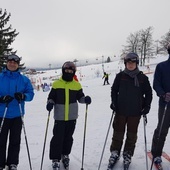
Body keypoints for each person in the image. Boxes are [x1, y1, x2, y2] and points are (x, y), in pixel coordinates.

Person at [107, 52, 152, 169]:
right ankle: (115, 152)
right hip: (121, 111)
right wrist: (114, 102)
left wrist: (147, 106)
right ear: (125, 63)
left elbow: (148, 93)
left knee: (132, 135)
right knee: (118, 133)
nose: (130, 65)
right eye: (128, 62)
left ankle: (127, 154)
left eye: (133, 62)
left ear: (137, 63)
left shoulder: (142, 78)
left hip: (135, 112)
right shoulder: (120, 76)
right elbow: (114, 90)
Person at [46, 61, 91, 170]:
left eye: (71, 71)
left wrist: (85, 99)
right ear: (63, 71)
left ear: (73, 72)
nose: (68, 72)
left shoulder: (76, 85)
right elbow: (51, 97)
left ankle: (65, 154)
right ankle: (55, 159)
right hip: (60, 117)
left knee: (68, 138)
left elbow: (80, 98)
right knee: (57, 138)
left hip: (72, 117)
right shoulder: (57, 84)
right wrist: (50, 103)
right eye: (67, 70)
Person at [0, 54, 34, 170]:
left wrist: (23, 96)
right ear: (7, 63)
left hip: (17, 115)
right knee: (1, 140)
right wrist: (1, 98)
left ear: (17, 65)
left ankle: (12, 163)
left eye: (15, 62)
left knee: (15, 140)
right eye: (10, 61)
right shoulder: (0, 77)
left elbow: (31, 94)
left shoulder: (24, 79)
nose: (12, 64)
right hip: (1, 114)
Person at [151, 43, 170, 166]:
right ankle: (156, 154)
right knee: (162, 129)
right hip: (166, 104)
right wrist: (163, 94)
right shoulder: (161, 67)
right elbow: (156, 84)